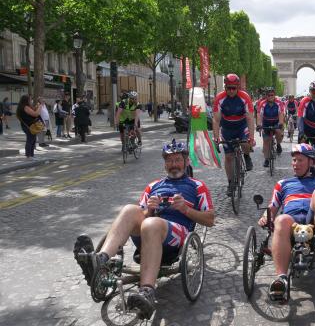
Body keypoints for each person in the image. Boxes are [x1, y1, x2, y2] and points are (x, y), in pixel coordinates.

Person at [73, 139, 215, 319]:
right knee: (129, 210)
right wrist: (150, 209)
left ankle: (147, 291)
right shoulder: (153, 185)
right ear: (165, 164)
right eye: (169, 161)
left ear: (186, 162)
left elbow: (210, 220)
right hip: (149, 231)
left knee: (151, 224)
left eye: (177, 160)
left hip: (178, 234)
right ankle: (100, 260)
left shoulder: (197, 186)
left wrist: (185, 209)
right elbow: (141, 217)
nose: (173, 164)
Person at [258, 143, 315, 302]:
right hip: (291, 222)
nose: (295, 164)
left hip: (314, 220)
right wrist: (265, 216)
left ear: (311, 162)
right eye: (293, 160)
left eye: (300, 160)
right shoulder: (283, 183)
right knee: (281, 219)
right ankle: (281, 279)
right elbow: (272, 207)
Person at [212, 73, 255, 196]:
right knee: (229, 157)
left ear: (238, 87)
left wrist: (251, 138)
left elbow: (250, 119)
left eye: (233, 88)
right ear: (225, 87)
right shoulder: (219, 98)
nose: (231, 91)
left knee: (245, 143)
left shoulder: (244, 97)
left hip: (242, 126)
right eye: (228, 88)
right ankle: (230, 183)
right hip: (227, 128)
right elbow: (216, 120)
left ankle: (247, 157)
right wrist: (216, 137)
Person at [257, 87, 285, 167]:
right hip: (266, 123)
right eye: (268, 95)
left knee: (279, 132)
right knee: (266, 141)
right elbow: (259, 115)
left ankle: (278, 144)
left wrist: (281, 123)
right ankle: (266, 159)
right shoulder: (262, 103)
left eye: (272, 95)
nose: (270, 96)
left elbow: (281, 114)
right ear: (266, 96)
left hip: (276, 122)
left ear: (274, 95)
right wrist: (259, 125)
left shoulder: (279, 103)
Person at [16, 95, 41, 159]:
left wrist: (35, 107)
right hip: (29, 126)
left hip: (27, 125)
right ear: (26, 100)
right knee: (30, 140)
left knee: (32, 139)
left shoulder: (21, 107)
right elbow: (35, 114)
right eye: (29, 100)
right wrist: (40, 107)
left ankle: (31, 155)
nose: (30, 101)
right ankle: (29, 155)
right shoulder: (25, 107)